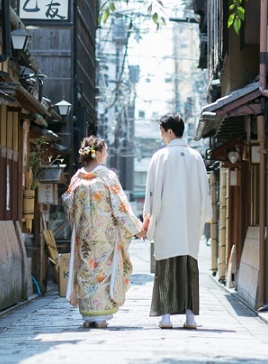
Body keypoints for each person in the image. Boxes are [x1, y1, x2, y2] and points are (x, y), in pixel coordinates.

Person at [62, 136, 145, 328]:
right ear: (97, 154)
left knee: (86, 270)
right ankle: (100, 317)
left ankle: (88, 316)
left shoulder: (77, 179)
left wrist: (80, 222)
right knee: (103, 272)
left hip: (84, 236)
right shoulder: (107, 177)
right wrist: (137, 229)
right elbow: (121, 207)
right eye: (105, 151)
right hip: (105, 234)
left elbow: (68, 204)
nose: (107, 154)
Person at [142, 113, 212, 330]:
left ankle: (166, 316)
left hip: (165, 219)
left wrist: (148, 218)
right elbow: (205, 192)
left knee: (165, 267)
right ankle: (190, 317)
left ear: (169, 131)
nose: (161, 136)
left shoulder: (160, 157)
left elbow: (152, 193)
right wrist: (204, 216)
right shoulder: (196, 157)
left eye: (162, 132)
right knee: (189, 267)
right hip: (190, 221)